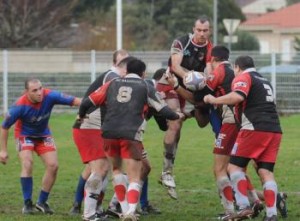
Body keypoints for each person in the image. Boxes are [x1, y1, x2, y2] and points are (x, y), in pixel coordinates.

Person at [78, 58, 184, 221]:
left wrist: (81, 114)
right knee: (135, 175)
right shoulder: (146, 86)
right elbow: (165, 112)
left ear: (126, 71)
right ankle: (129, 211)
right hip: (131, 134)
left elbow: (87, 102)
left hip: (108, 133)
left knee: (117, 171)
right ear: (143, 73)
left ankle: (120, 208)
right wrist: (179, 115)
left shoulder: (112, 84)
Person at [204, 55, 283, 221]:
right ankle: (271, 215)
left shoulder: (243, 77)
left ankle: (243, 206)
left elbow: (238, 96)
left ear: (237, 67)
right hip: (274, 129)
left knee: (234, 168)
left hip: (253, 128)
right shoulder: (264, 80)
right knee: (265, 171)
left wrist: (214, 99)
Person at [166, 45, 239, 219]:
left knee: (223, 169)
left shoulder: (218, 73)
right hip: (237, 125)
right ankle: (256, 202)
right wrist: (189, 114)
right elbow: (204, 113)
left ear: (212, 60)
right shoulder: (230, 74)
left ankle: (235, 209)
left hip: (229, 127)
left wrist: (176, 85)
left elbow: (198, 100)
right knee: (235, 168)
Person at [0, 77, 81, 215]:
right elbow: (4, 127)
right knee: (27, 163)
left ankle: (42, 202)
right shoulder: (18, 106)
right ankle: (27, 204)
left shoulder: (50, 95)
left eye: (40, 88)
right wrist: (3, 150)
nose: (39, 92)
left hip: (43, 135)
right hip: (24, 135)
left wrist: (86, 108)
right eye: (35, 90)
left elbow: (76, 101)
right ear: (26, 92)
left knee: (53, 166)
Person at [156, 15, 213, 199]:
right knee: (175, 122)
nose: (202, 34)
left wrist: (205, 80)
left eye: (205, 30)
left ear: (209, 31)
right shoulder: (181, 42)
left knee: (197, 121)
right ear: (193, 29)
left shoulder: (210, 48)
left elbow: (210, 72)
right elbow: (175, 65)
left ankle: (167, 170)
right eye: (199, 30)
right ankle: (166, 172)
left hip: (188, 89)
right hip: (169, 82)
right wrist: (192, 77)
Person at [73, 56, 135, 221]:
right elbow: (87, 103)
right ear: (123, 69)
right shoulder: (112, 77)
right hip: (88, 127)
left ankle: (98, 209)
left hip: (99, 128)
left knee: (105, 169)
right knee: (99, 169)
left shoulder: (120, 81)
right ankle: (88, 214)